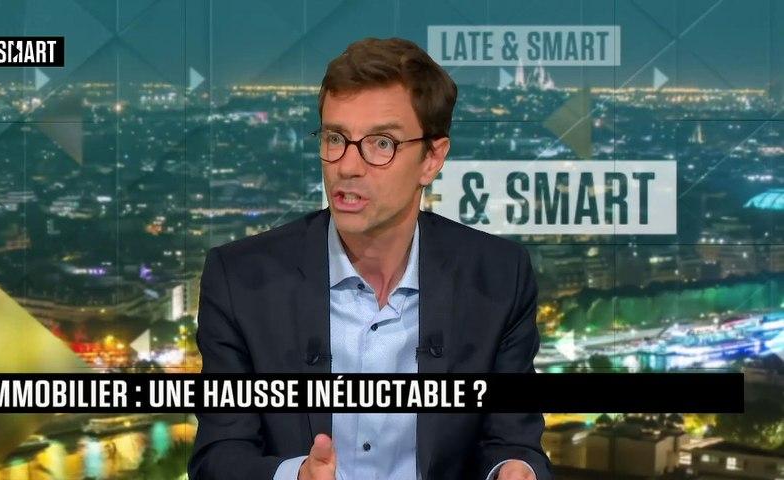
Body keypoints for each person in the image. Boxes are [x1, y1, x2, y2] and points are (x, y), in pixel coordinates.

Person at [188, 37, 552, 480]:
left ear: (432, 158)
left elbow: (512, 440)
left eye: (381, 143)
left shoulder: (499, 277)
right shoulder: (240, 280)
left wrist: (511, 469)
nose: (348, 166)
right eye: (335, 138)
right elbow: (218, 459)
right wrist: (295, 476)